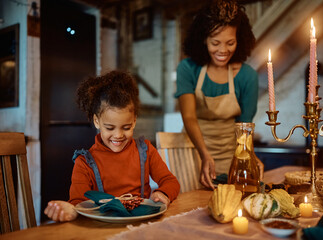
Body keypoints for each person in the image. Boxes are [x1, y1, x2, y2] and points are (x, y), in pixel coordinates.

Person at [44, 70, 180, 222]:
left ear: (134, 120)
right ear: (96, 121)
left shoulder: (145, 150)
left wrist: (163, 193)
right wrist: (71, 210)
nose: (118, 135)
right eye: (110, 128)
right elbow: (78, 203)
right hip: (102, 230)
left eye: (126, 127)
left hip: (141, 225)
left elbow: (170, 182)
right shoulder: (84, 162)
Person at [175, 0, 263, 190]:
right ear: (203, 39)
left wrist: (250, 156)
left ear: (239, 40)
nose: (223, 51)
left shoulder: (247, 76)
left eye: (230, 43)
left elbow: (245, 126)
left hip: (230, 157)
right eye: (215, 43)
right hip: (192, 154)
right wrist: (204, 154)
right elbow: (189, 117)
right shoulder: (187, 69)